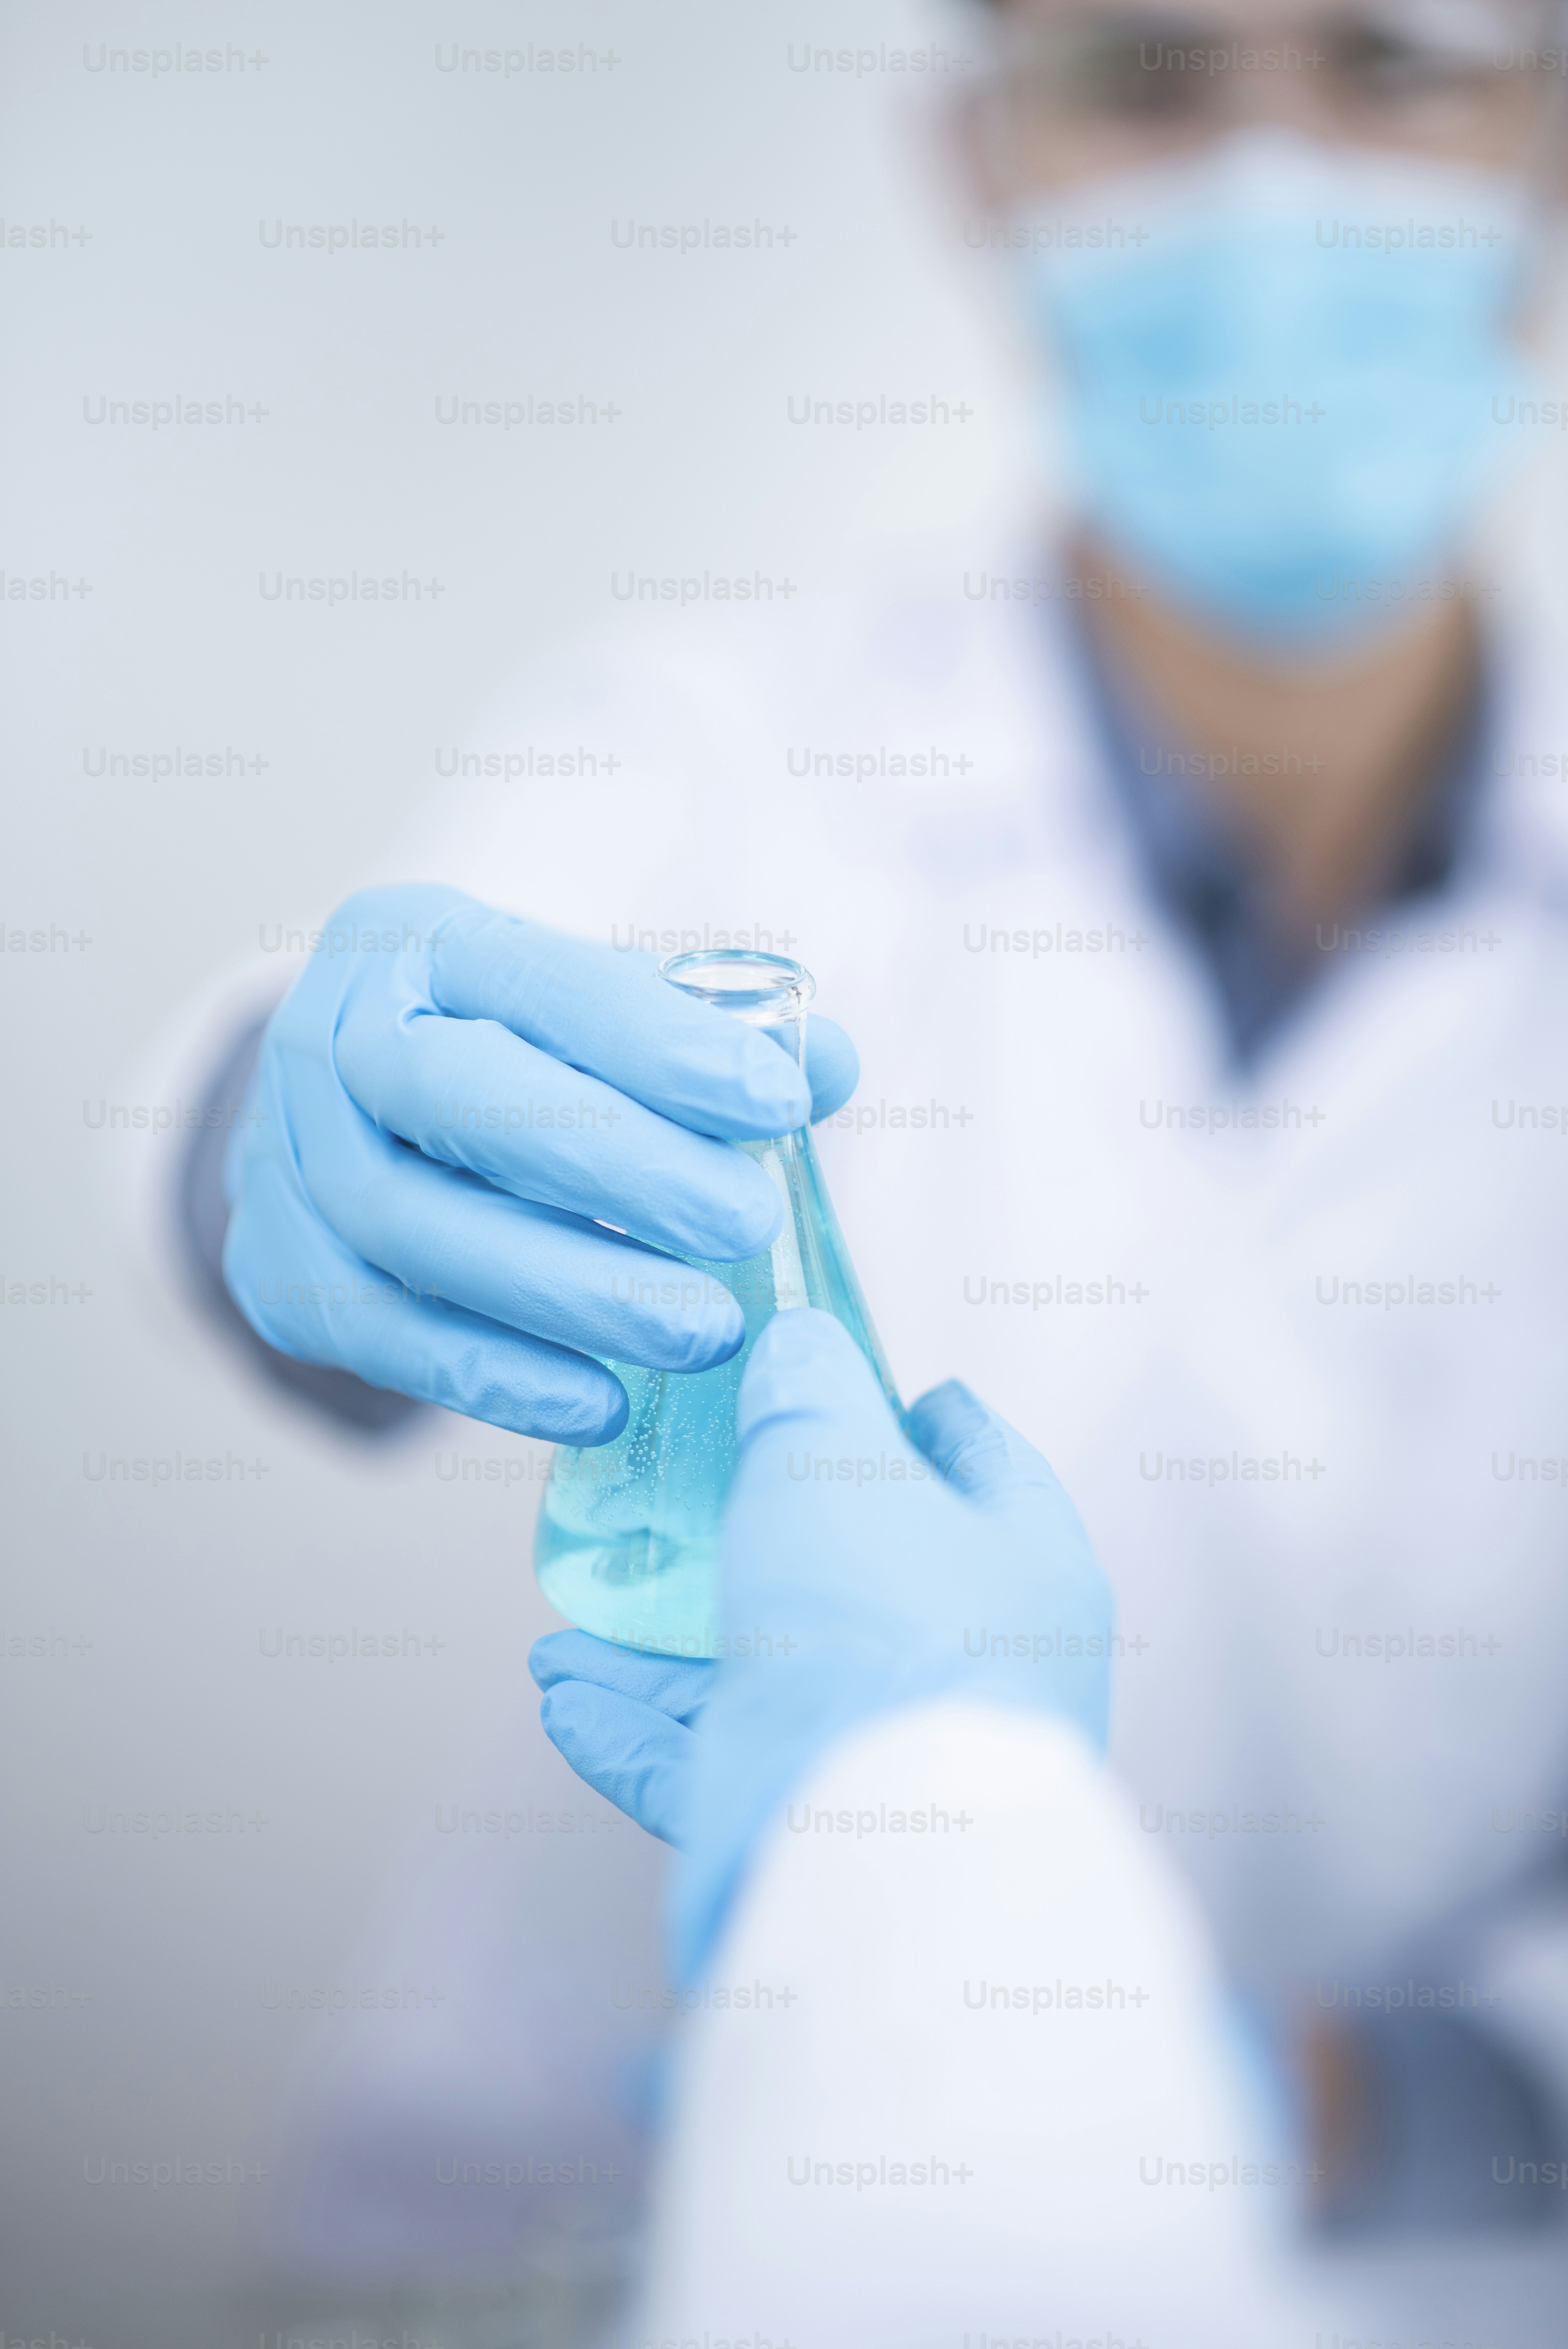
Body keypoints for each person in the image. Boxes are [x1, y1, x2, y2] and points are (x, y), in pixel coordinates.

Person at [162, 0, 1568, 2284]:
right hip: (584, 2237)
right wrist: (287, 1151)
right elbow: (308, 1084)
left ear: (1555, 148)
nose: (1273, 182)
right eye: (1142, 74)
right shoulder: (720, 741)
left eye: (1397, 61)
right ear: (983, 164)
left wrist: (1361, 2098)